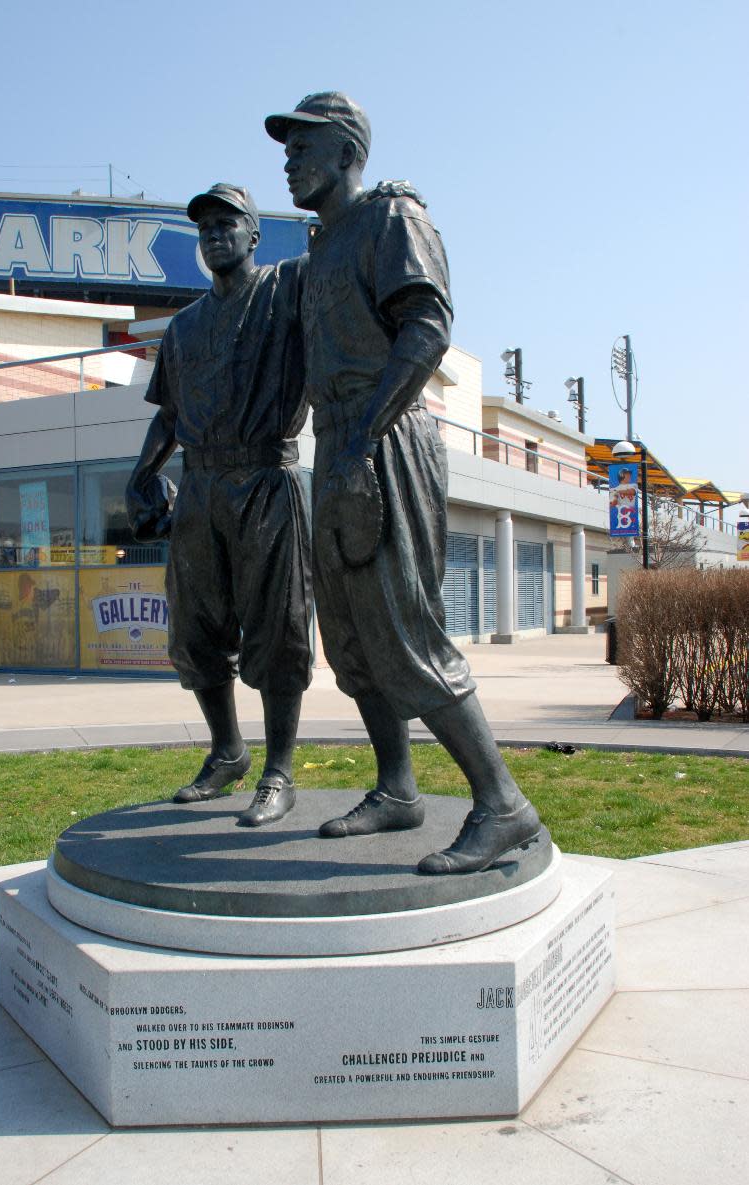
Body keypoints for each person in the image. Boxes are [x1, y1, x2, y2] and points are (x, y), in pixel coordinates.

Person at [265, 93, 543, 873]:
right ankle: (398, 788)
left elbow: (426, 329)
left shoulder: (394, 218)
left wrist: (361, 437)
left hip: (384, 437)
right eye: (285, 147)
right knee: (351, 638)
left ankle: (502, 804)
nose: (288, 159)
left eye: (303, 145)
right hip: (339, 442)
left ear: (347, 150)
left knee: (403, 629)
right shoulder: (320, 250)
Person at [125, 184, 311, 828]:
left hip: (265, 473)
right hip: (200, 487)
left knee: (277, 626)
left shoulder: (287, 290)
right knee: (195, 629)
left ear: (254, 235)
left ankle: (279, 769)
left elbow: (344, 255)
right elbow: (169, 415)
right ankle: (227, 751)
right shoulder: (183, 325)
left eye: (226, 223)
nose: (213, 233)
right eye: (204, 226)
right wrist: (142, 472)